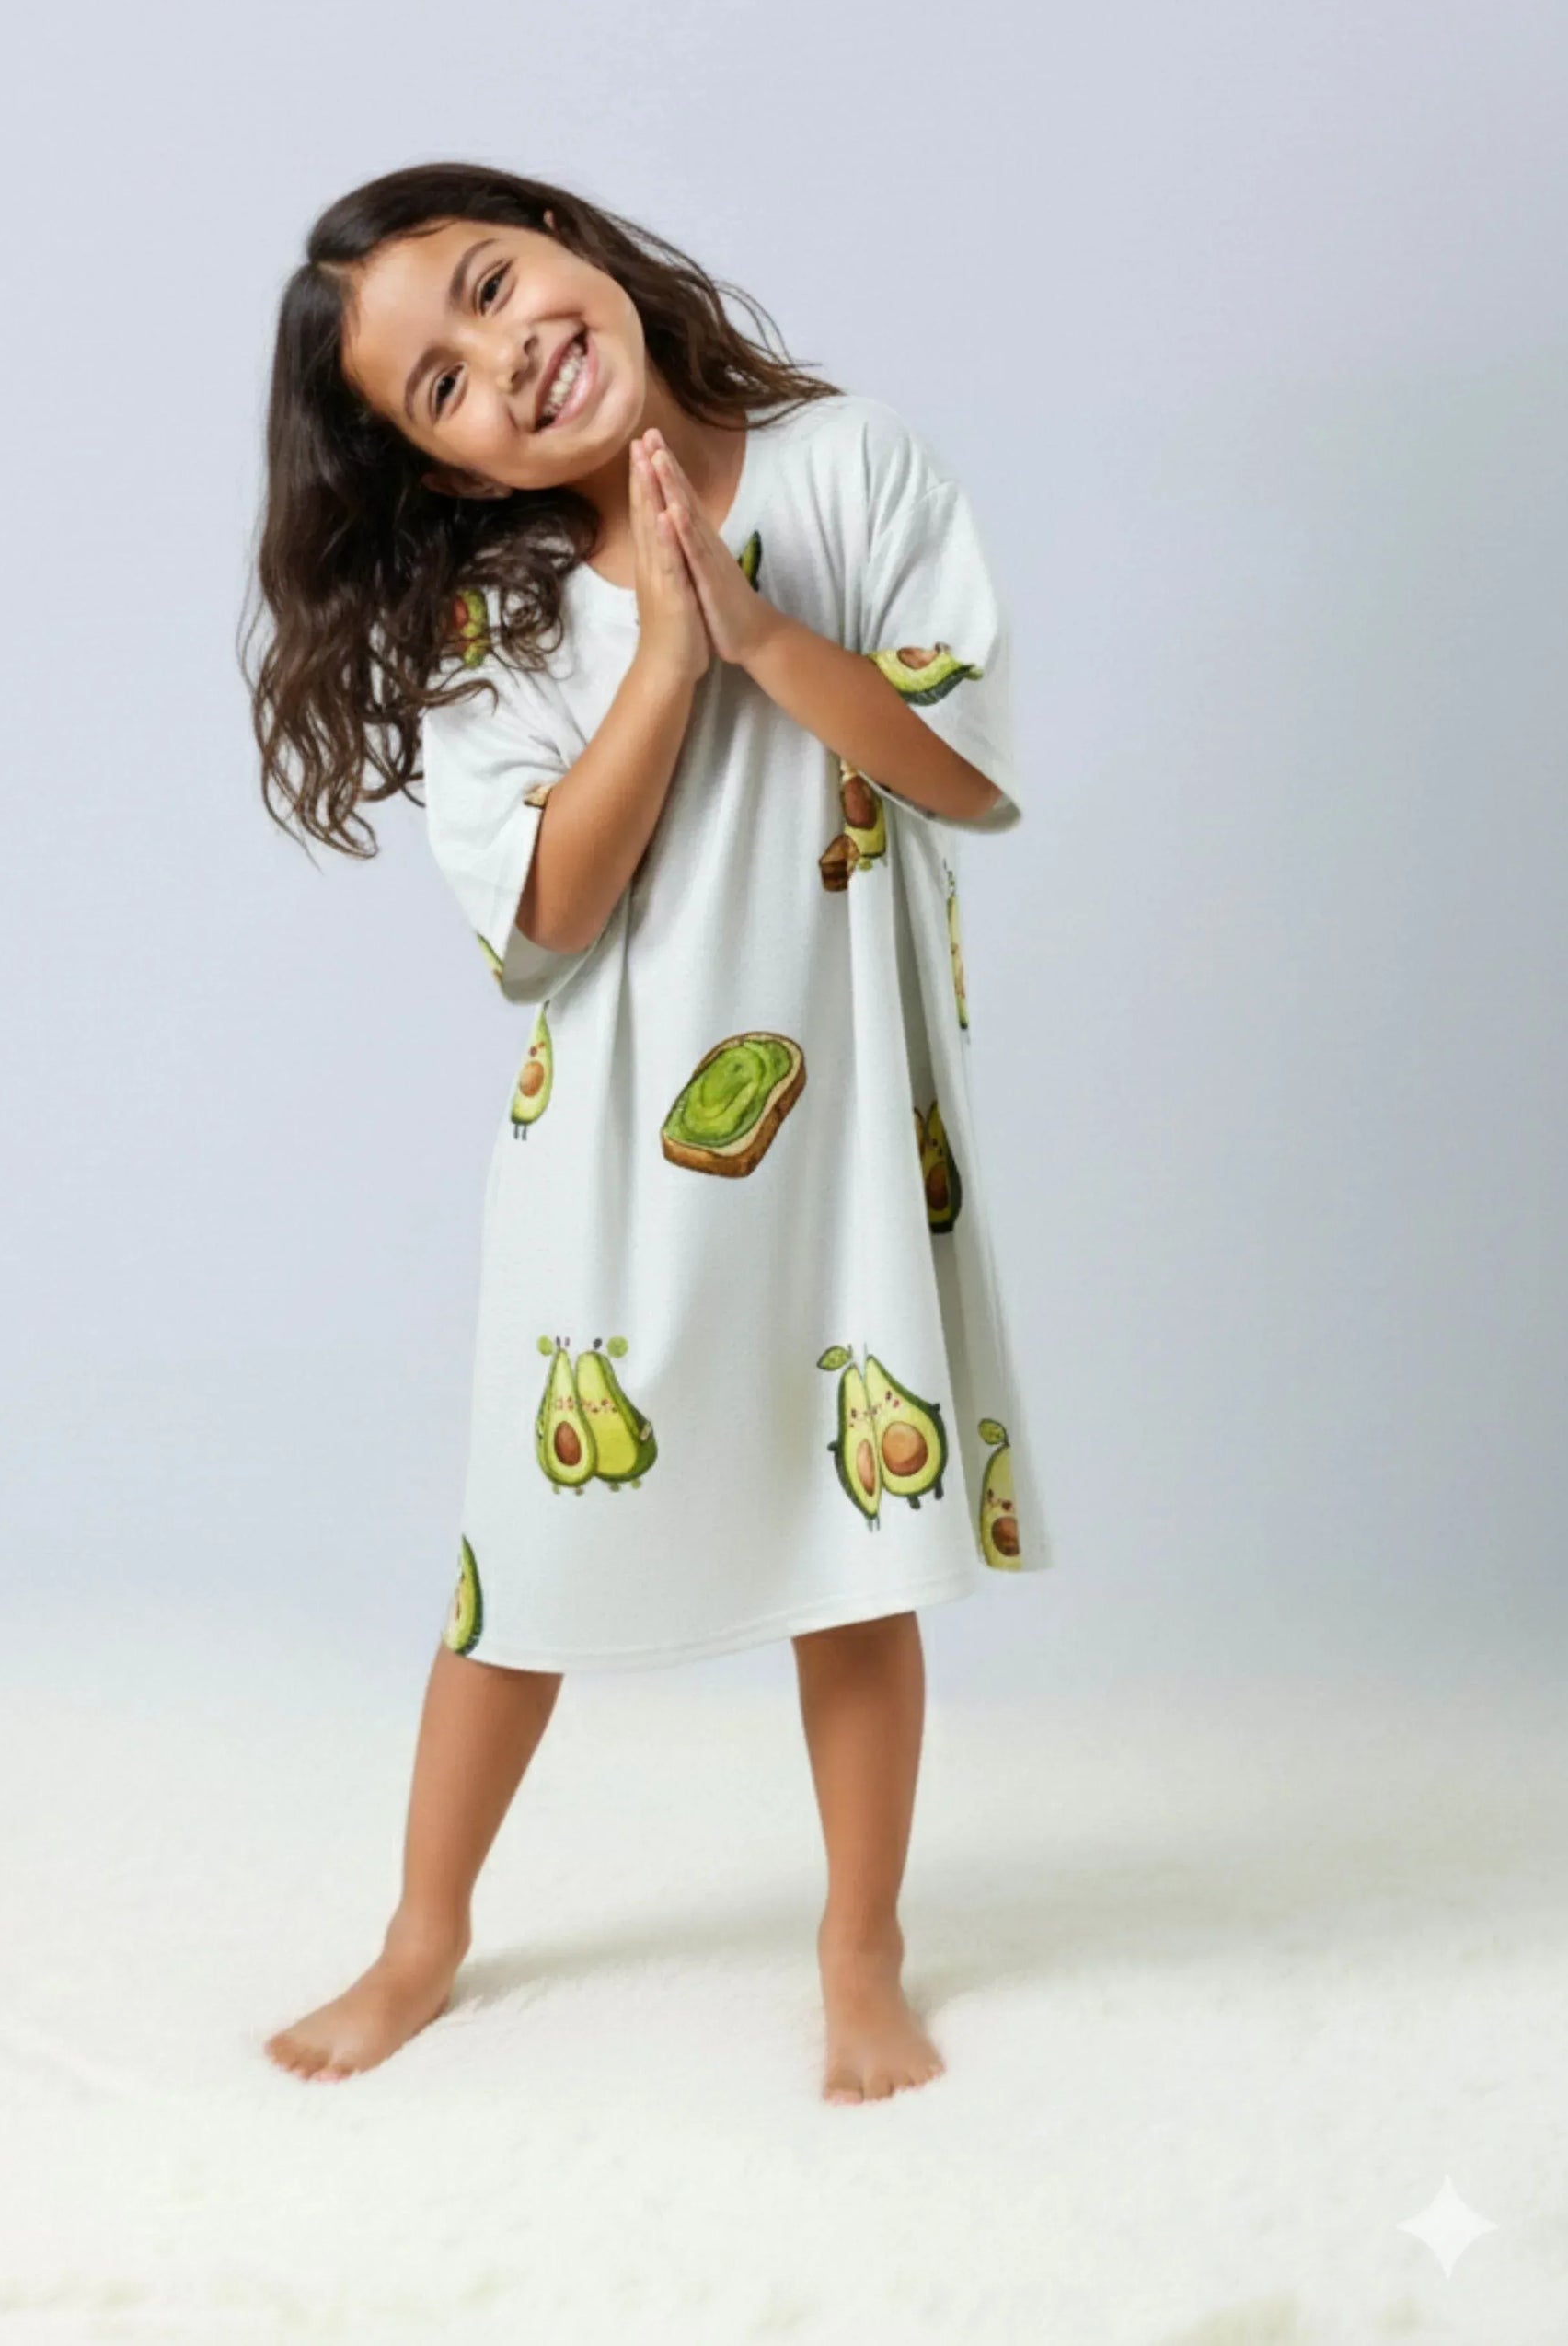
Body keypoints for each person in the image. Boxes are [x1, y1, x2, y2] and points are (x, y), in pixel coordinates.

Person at [242, 160, 1055, 2104]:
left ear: (576, 244)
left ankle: (860, 1952)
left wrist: (763, 636)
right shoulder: (492, 627)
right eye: (439, 386)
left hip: (842, 1126)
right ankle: (420, 1937)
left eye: (494, 282)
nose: (504, 355)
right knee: (516, 1565)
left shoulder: (850, 471)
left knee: (853, 1549)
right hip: (609, 1154)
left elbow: (967, 775)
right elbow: (545, 919)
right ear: (445, 472)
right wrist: (670, 657)